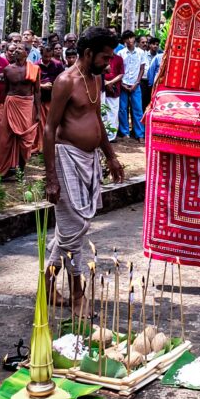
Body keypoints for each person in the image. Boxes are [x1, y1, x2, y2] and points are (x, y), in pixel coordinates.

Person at [44, 27, 124, 297]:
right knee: (75, 227)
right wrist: (51, 178)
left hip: (89, 160)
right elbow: (48, 128)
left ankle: (48, 285)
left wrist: (110, 156)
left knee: (71, 228)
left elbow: (96, 118)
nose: (108, 63)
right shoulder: (66, 81)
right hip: (66, 157)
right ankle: (77, 292)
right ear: (88, 54)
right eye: (105, 57)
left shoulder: (96, 79)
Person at [0, 43, 41, 179]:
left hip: (26, 104)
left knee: (25, 139)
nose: (16, 51)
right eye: (14, 49)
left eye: (19, 49)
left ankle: (21, 169)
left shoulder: (34, 69)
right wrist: (3, 107)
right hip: (11, 103)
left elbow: (37, 91)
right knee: (6, 138)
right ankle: (4, 170)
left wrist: (38, 111)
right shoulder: (8, 69)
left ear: (26, 53)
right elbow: (6, 90)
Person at [36, 44, 65, 150]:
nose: (47, 59)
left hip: (54, 99)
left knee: (54, 122)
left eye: (49, 56)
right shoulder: (36, 66)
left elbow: (64, 80)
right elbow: (31, 84)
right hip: (41, 99)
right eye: (45, 57)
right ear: (41, 55)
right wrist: (42, 86)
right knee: (41, 124)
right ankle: (42, 145)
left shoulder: (58, 65)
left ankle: (54, 143)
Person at [118, 31, 146, 141]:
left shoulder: (140, 52)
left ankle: (139, 134)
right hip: (123, 84)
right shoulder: (121, 53)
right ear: (124, 41)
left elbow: (142, 69)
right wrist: (122, 84)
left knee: (138, 110)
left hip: (136, 85)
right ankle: (125, 132)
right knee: (123, 110)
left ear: (134, 38)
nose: (129, 40)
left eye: (131, 38)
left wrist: (137, 83)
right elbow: (119, 70)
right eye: (127, 38)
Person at [102, 49, 124, 141]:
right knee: (102, 111)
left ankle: (111, 136)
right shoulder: (101, 58)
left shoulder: (119, 59)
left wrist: (110, 82)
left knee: (113, 112)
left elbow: (121, 74)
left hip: (114, 88)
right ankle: (103, 135)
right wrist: (105, 82)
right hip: (102, 87)